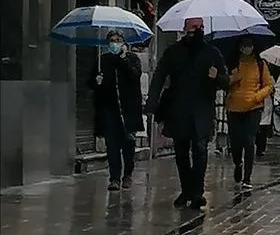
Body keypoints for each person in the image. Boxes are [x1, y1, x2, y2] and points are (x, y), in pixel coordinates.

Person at [146, 17, 229, 209]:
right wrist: (151, 104)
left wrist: (217, 77)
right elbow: (159, 76)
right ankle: (186, 189)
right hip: (179, 109)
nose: (197, 30)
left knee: (200, 150)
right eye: (193, 27)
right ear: (185, 29)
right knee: (181, 153)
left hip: (202, 110)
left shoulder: (212, 53)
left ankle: (197, 192)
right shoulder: (173, 52)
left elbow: (226, 82)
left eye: (200, 27)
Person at [90, 30, 144, 191]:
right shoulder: (102, 61)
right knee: (112, 146)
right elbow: (90, 83)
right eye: (112, 40)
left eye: (118, 40)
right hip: (109, 110)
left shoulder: (132, 59)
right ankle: (114, 178)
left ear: (123, 43)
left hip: (128, 111)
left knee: (128, 144)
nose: (114, 43)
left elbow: (135, 76)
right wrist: (96, 81)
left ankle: (127, 174)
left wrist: (122, 59)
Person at [225, 38, 274, 190]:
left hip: (253, 107)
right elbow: (223, 82)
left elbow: (269, 85)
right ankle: (238, 163)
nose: (247, 49)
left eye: (250, 46)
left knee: (249, 140)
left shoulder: (260, 65)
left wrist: (257, 97)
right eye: (244, 46)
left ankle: (247, 177)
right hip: (234, 107)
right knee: (235, 141)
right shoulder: (232, 64)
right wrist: (233, 78)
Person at [255, 61, 280, 158]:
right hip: (257, 103)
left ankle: (261, 148)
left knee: (263, 129)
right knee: (259, 128)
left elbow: (273, 89)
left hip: (266, 105)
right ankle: (259, 146)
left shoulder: (270, 78)